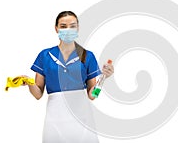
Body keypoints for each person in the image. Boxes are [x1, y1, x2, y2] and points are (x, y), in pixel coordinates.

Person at [23, 11, 114, 142]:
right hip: (55, 117)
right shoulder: (45, 55)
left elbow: (92, 95)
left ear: (78, 28)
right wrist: (29, 82)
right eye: (63, 26)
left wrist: (104, 78)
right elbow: (38, 94)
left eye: (72, 26)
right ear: (56, 28)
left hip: (82, 118)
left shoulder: (87, 56)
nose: (68, 30)